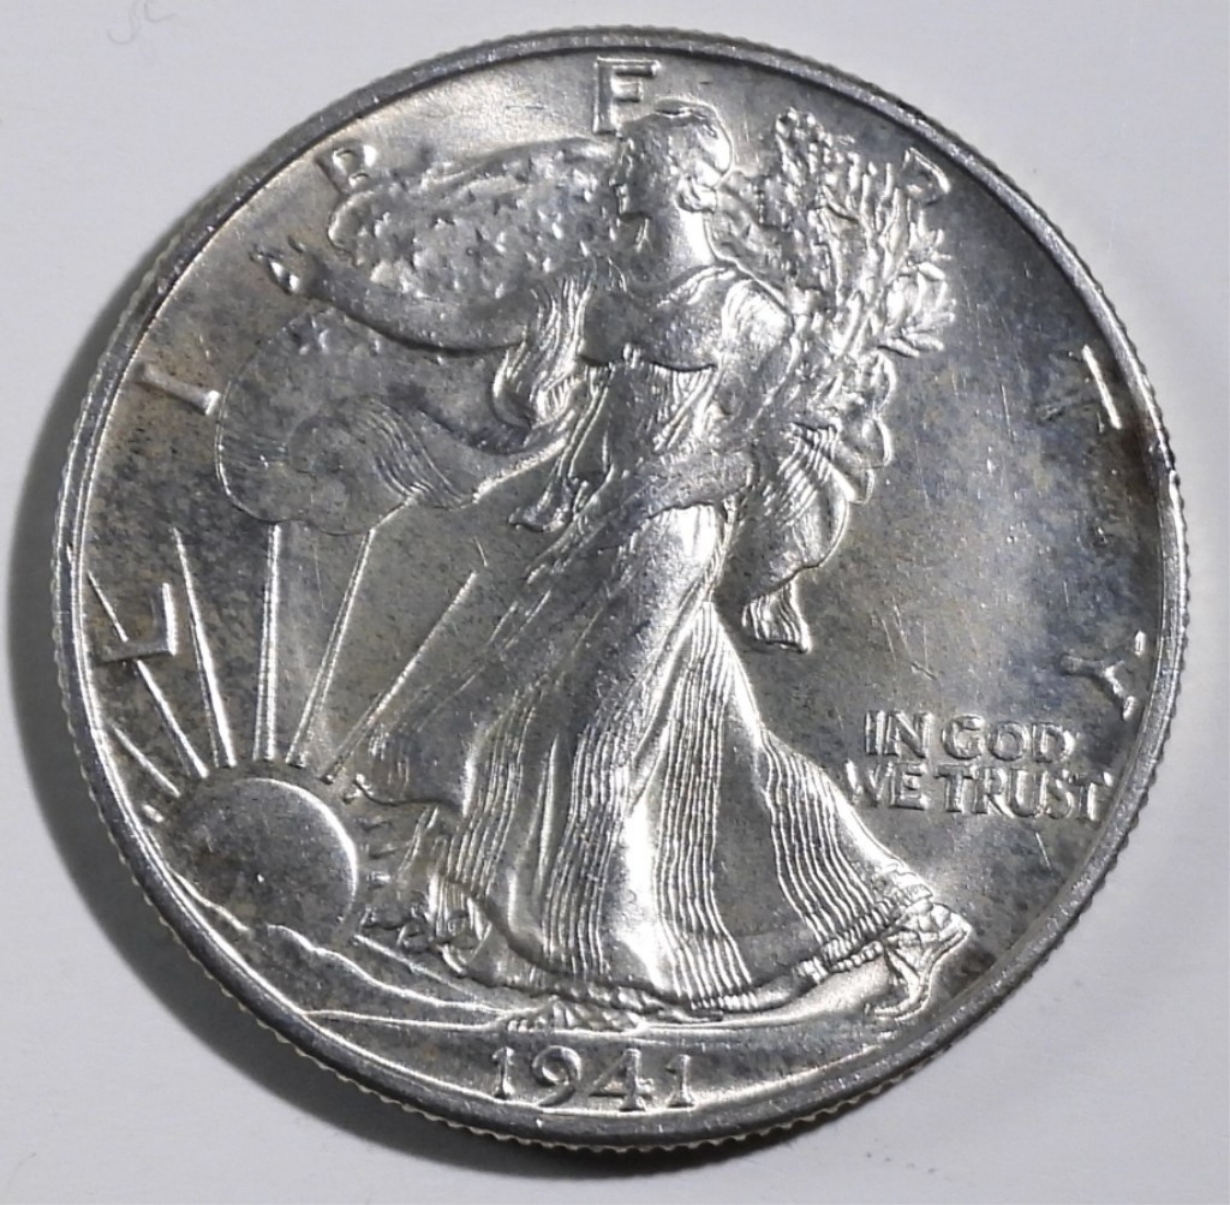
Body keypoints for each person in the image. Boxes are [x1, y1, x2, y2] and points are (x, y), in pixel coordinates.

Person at [263, 101, 968, 1027]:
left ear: (686, 180)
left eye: (639, 161)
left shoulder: (747, 312)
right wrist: (332, 286)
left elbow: (759, 456)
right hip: (593, 534)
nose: (622, 173)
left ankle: (604, 965)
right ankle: (881, 916)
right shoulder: (595, 287)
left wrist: (669, 484)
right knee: (687, 737)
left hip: (670, 540)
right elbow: (459, 323)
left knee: (597, 741)